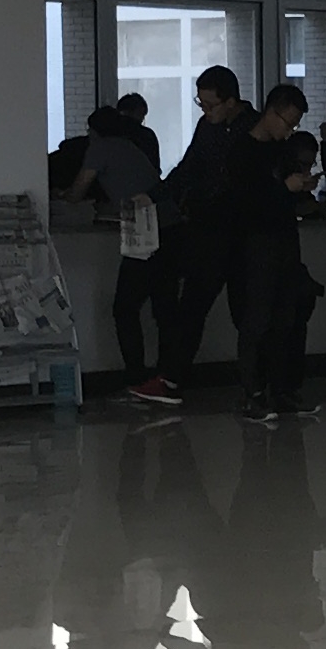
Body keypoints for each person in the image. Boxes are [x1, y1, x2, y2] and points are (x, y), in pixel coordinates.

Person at [136, 67, 248, 408]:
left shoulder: (251, 129)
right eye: (201, 104)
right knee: (192, 306)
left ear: (231, 102)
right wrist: (155, 195)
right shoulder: (207, 127)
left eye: (211, 105)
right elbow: (187, 169)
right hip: (209, 232)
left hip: (242, 234)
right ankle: (171, 378)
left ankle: (259, 386)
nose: (205, 111)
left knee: (246, 313)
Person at [226, 83, 318, 420]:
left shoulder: (282, 151)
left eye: (295, 125)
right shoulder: (241, 151)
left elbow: (285, 196)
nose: (290, 130)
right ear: (271, 112)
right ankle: (252, 392)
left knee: (285, 319)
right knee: (257, 320)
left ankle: (282, 390)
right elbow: (246, 202)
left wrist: (300, 188)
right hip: (255, 244)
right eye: (288, 122)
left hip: (284, 240)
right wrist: (284, 188)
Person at [70, 105, 164, 374]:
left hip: (144, 232)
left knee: (125, 308)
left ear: (93, 131)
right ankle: (168, 374)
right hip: (167, 226)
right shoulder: (130, 147)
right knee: (164, 307)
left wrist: (62, 195)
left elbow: (77, 192)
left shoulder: (100, 148)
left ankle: (136, 374)